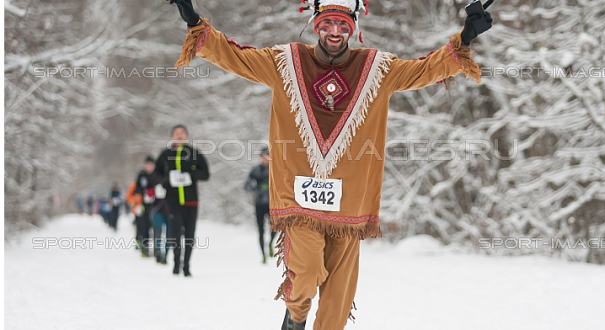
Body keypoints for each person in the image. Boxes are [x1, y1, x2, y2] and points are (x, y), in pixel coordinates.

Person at [167, 0, 492, 328]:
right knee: (305, 275)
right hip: (299, 199)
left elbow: (424, 69)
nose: (334, 31)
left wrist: (464, 39)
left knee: (338, 302)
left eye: (342, 25)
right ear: (315, 24)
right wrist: (195, 21)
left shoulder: (377, 68)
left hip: (349, 205)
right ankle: (295, 316)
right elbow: (237, 56)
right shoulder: (287, 62)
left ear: (353, 27)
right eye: (327, 24)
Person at [155, 124, 210, 276]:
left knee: (190, 234)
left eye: (182, 133)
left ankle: (186, 265)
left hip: (191, 200)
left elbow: (205, 174)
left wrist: (190, 174)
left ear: (186, 135)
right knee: (175, 232)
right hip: (172, 200)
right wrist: (166, 180)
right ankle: (176, 262)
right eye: (176, 133)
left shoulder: (194, 153)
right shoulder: (165, 154)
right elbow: (156, 174)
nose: (179, 135)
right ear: (172, 136)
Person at [244, 148, 277, 264]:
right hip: (259, 204)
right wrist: (256, 188)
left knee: (275, 227)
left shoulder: (274, 170)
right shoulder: (255, 170)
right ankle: (263, 254)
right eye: (263, 156)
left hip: (272, 204)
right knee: (260, 230)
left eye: (267, 156)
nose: (265, 158)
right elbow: (247, 186)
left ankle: (271, 243)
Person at [137, 155, 171, 263]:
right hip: (151, 207)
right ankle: (150, 249)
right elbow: (138, 189)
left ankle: (164, 253)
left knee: (169, 232)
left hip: (168, 208)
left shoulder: (167, 175)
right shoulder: (143, 175)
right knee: (149, 229)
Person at [134, 157, 157, 257]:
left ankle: (157, 249)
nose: (149, 167)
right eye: (147, 164)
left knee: (155, 228)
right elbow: (137, 188)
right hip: (143, 205)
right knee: (144, 227)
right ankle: (145, 248)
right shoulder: (141, 175)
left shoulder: (157, 175)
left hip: (156, 206)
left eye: (150, 164)